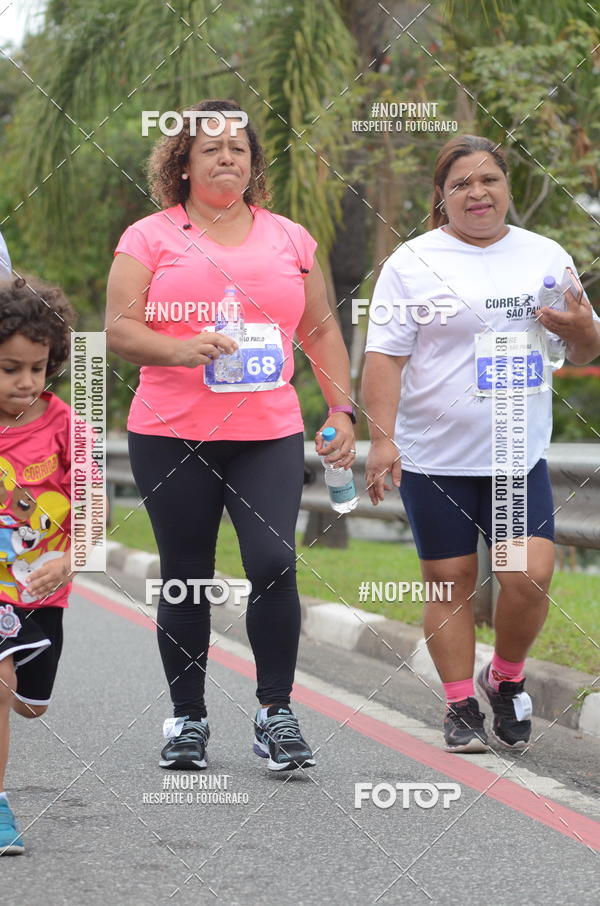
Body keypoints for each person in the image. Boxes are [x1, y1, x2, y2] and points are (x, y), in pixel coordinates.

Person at [105, 99, 356, 772]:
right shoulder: (149, 237)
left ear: (252, 163)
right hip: (171, 432)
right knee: (186, 577)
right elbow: (120, 331)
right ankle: (187, 720)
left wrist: (342, 411)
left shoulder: (290, 240)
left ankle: (275, 713)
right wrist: (178, 347)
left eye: (238, 148)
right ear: (182, 164)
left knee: (273, 563)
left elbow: (322, 330)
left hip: (266, 432)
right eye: (210, 147)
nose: (226, 157)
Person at [362, 135, 600, 754]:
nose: (477, 192)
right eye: (461, 183)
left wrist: (585, 330)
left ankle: (505, 677)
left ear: (507, 188)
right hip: (434, 456)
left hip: (515, 454)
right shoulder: (411, 262)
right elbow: (384, 360)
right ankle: (460, 705)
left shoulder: (545, 256)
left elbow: (582, 347)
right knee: (449, 580)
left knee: (528, 577)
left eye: (489, 179)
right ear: (441, 197)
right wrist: (381, 442)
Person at [0, 277, 77, 854]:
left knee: (28, 703)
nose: (25, 382)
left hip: (40, 593)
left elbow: (96, 511)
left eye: (37, 367)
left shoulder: (66, 425)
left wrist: (70, 558)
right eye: (9, 369)